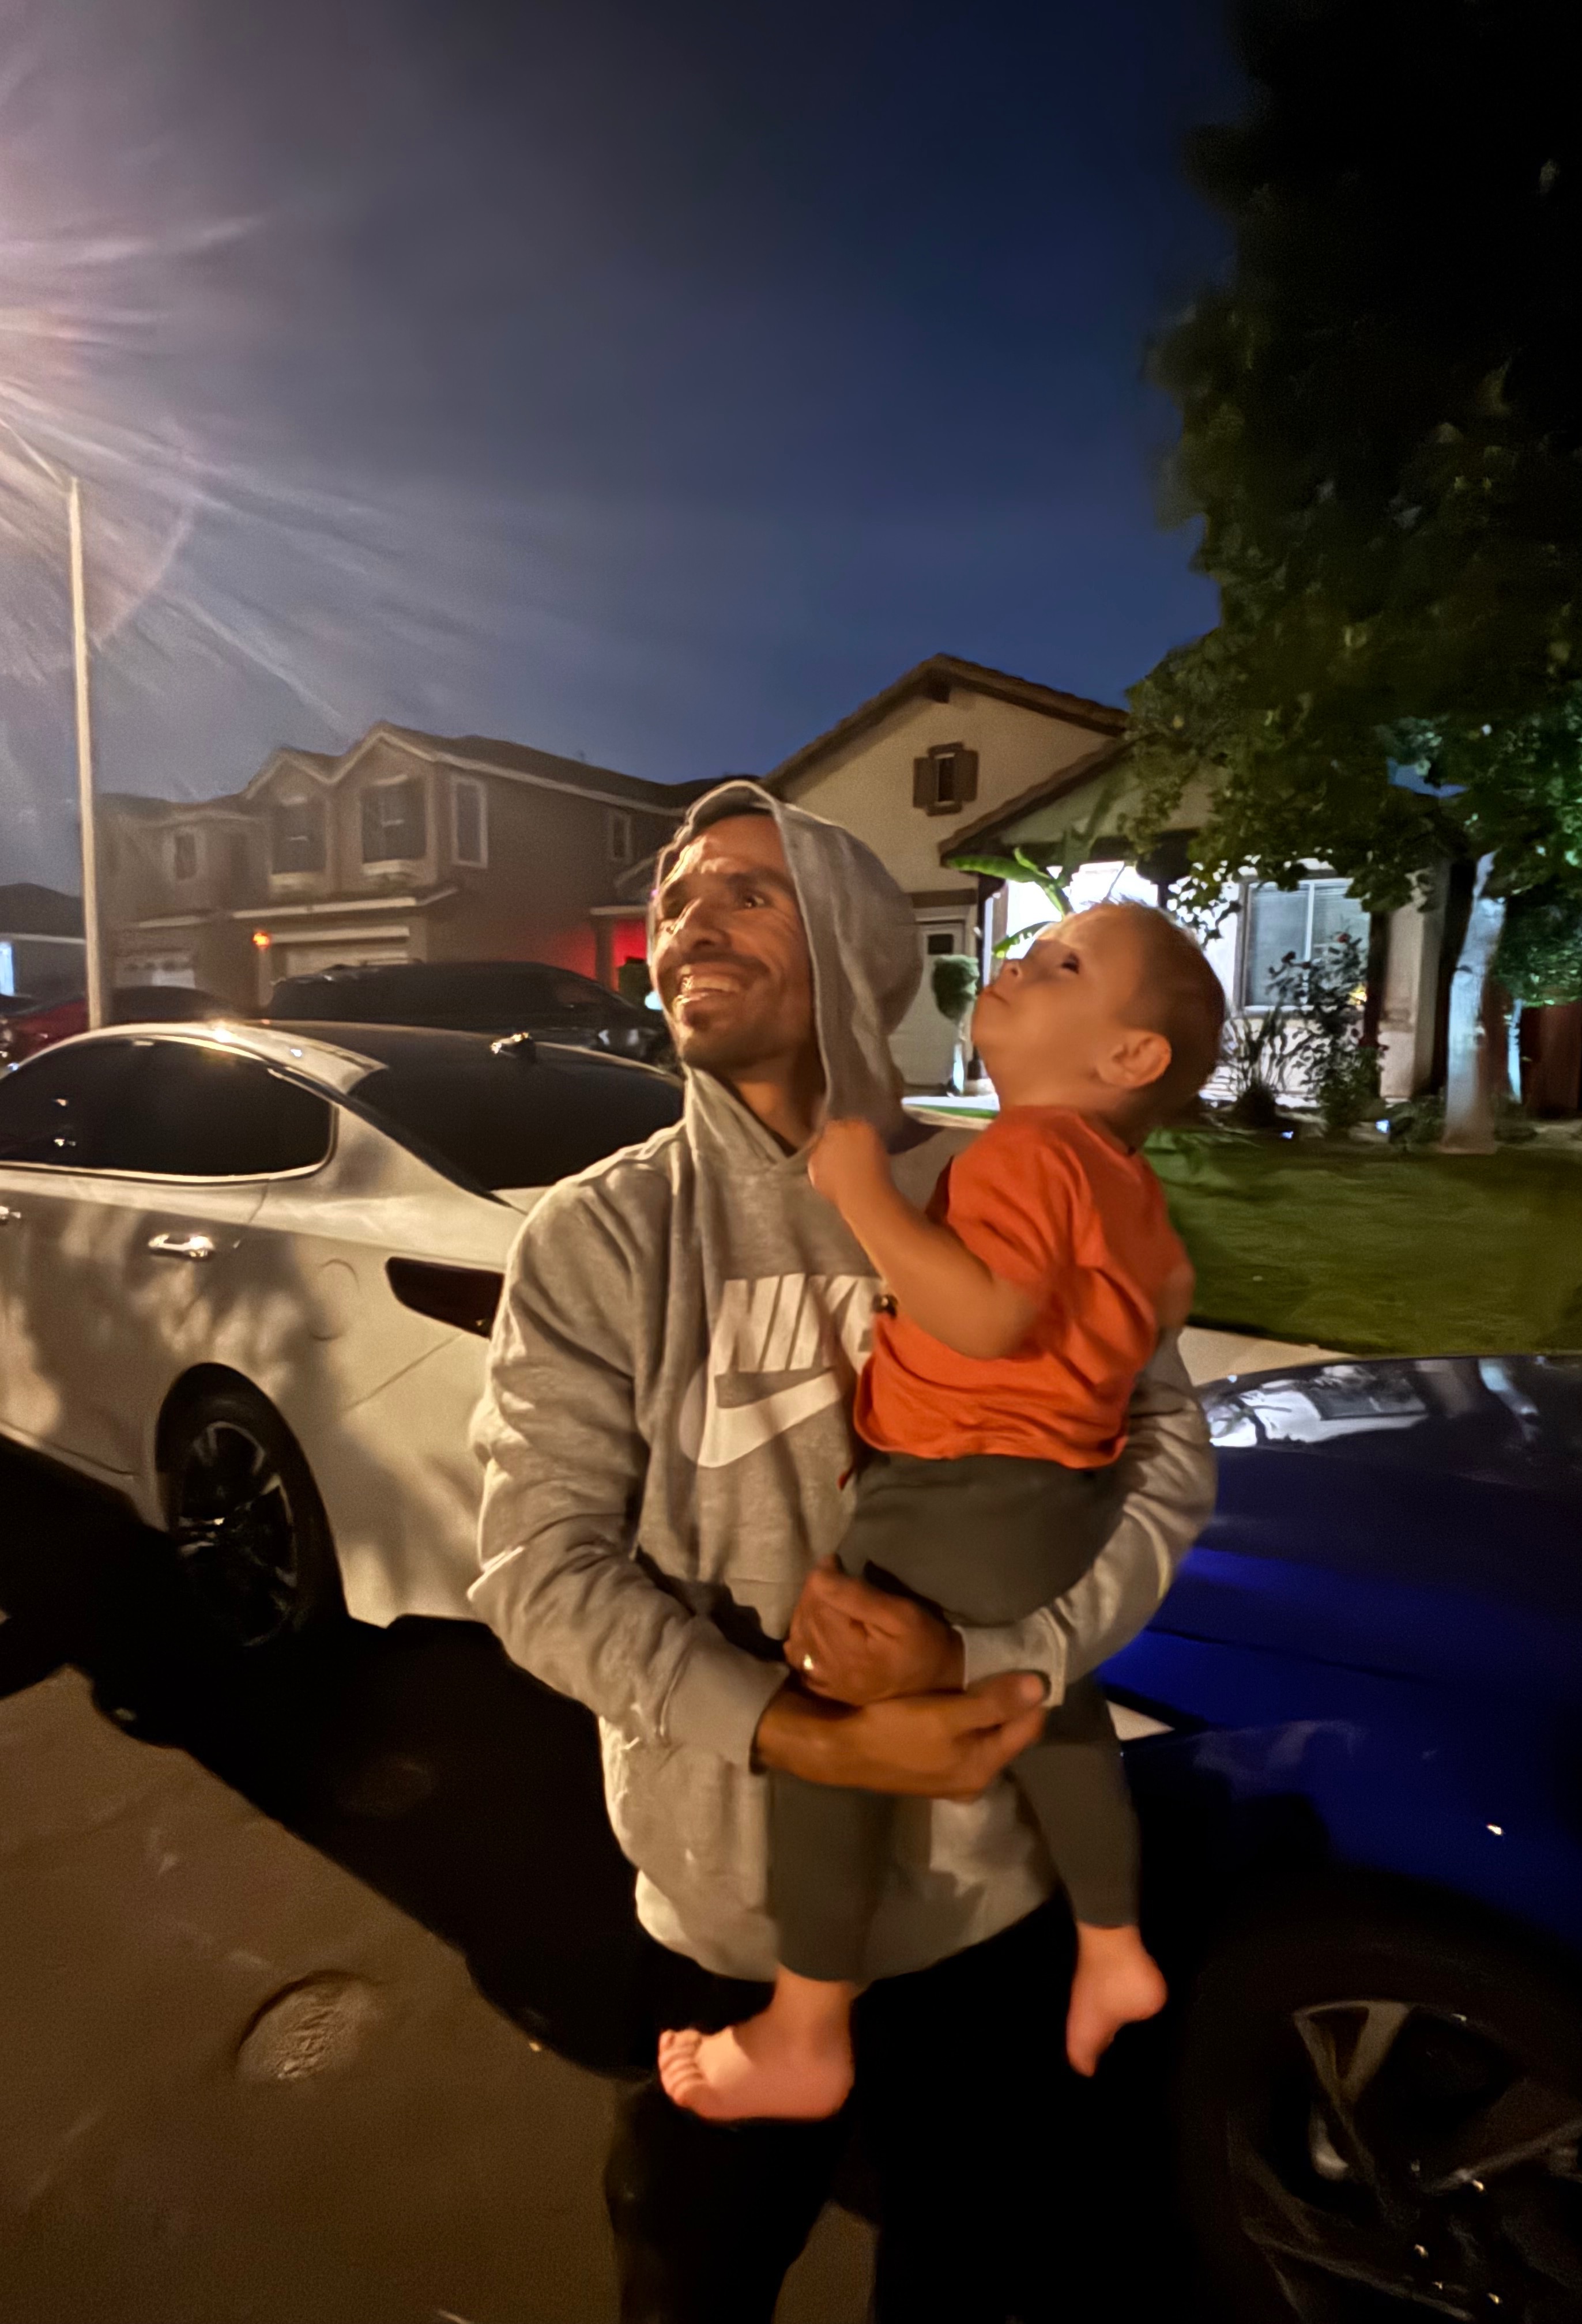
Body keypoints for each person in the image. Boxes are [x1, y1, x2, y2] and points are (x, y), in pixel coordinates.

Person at [470, 783, 1217, 2323]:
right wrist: (808, 1737)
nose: (691, 920)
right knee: (691, 2284)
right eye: (678, 897)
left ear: (859, 946)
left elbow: (1162, 1467)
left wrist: (993, 1662)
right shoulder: (598, 1238)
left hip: (981, 1913)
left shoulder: (1009, 1179)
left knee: (977, 2281)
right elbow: (536, 1567)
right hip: (728, 1915)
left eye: (750, 892)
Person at [657, 902, 1221, 2125]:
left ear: (1130, 1056)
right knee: (1054, 1702)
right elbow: (1168, 1295)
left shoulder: (1027, 1150)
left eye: (1062, 962)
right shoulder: (1122, 1178)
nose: (1017, 960)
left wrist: (864, 1194)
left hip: (952, 1485)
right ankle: (1113, 1940)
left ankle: (807, 2026)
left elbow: (985, 1318)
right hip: (1058, 1497)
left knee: (831, 1712)